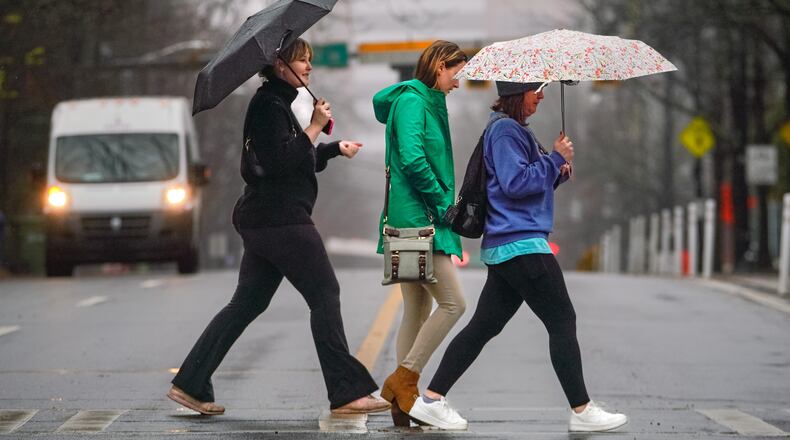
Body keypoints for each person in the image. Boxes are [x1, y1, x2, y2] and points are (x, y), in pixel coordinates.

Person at [167, 38, 389, 416]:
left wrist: (333, 148)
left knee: (247, 302)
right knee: (324, 294)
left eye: (309, 61)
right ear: (279, 64)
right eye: (302, 60)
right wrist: (315, 127)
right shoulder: (269, 105)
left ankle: (190, 383)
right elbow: (279, 162)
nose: (309, 67)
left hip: (266, 218)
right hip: (280, 219)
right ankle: (347, 390)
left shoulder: (277, 104)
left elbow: (294, 158)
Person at [409, 81, 629, 433]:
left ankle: (431, 400)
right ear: (517, 93)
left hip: (505, 247)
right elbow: (513, 183)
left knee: (483, 328)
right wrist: (555, 158)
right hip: (522, 245)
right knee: (561, 321)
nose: (541, 95)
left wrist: (555, 172)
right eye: (536, 89)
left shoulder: (508, 129)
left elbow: (517, 184)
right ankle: (582, 409)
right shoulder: (506, 131)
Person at [371, 40, 468, 426]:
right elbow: (412, 158)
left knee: (416, 308)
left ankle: (401, 404)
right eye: (456, 72)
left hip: (418, 218)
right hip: (419, 221)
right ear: (440, 66)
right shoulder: (413, 101)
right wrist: (442, 203)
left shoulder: (426, 101)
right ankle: (403, 380)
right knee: (454, 303)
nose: (459, 82)